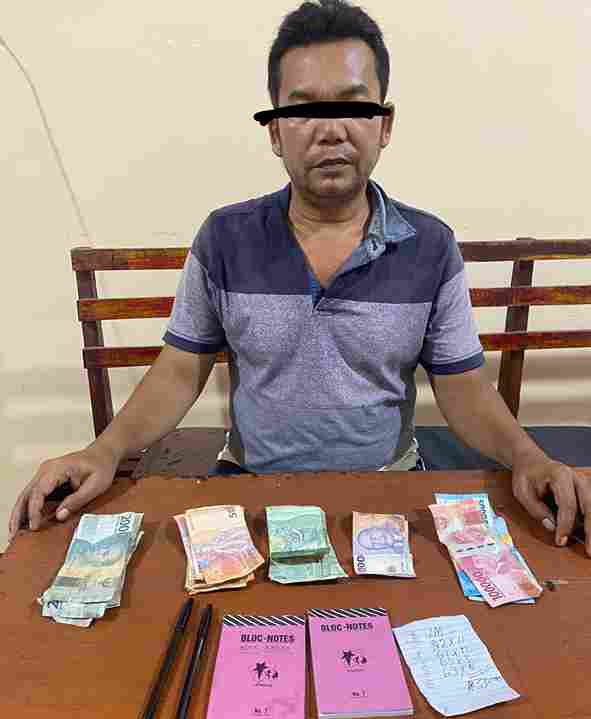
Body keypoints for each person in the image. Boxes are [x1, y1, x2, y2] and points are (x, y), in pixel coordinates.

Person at [9, 0, 590, 552]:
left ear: (384, 124)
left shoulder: (430, 247)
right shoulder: (225, 239)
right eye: (304, 109)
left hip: (389, 488)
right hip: (251, 487)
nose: (331, 131)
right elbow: (181, 372)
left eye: (353, 108)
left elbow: (463, 388)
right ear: (274, 131)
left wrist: (529, 457)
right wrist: (105, 450)